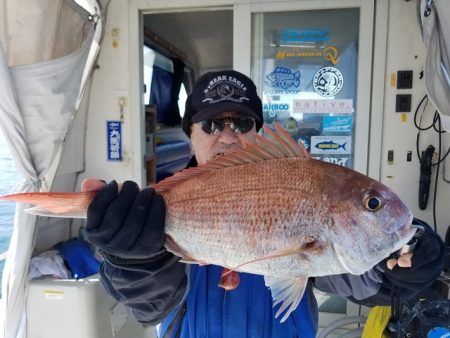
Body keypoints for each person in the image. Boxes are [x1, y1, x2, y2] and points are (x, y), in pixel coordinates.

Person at [82, 70, 446, 338]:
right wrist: (134, 261)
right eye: (210, 124)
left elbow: (352, 276)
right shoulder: (156, 208)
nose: (227, 135)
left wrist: (398, 264)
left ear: (257, 131)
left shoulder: (298, 186)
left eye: (241, 122)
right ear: (189, 134)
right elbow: (149, 306)